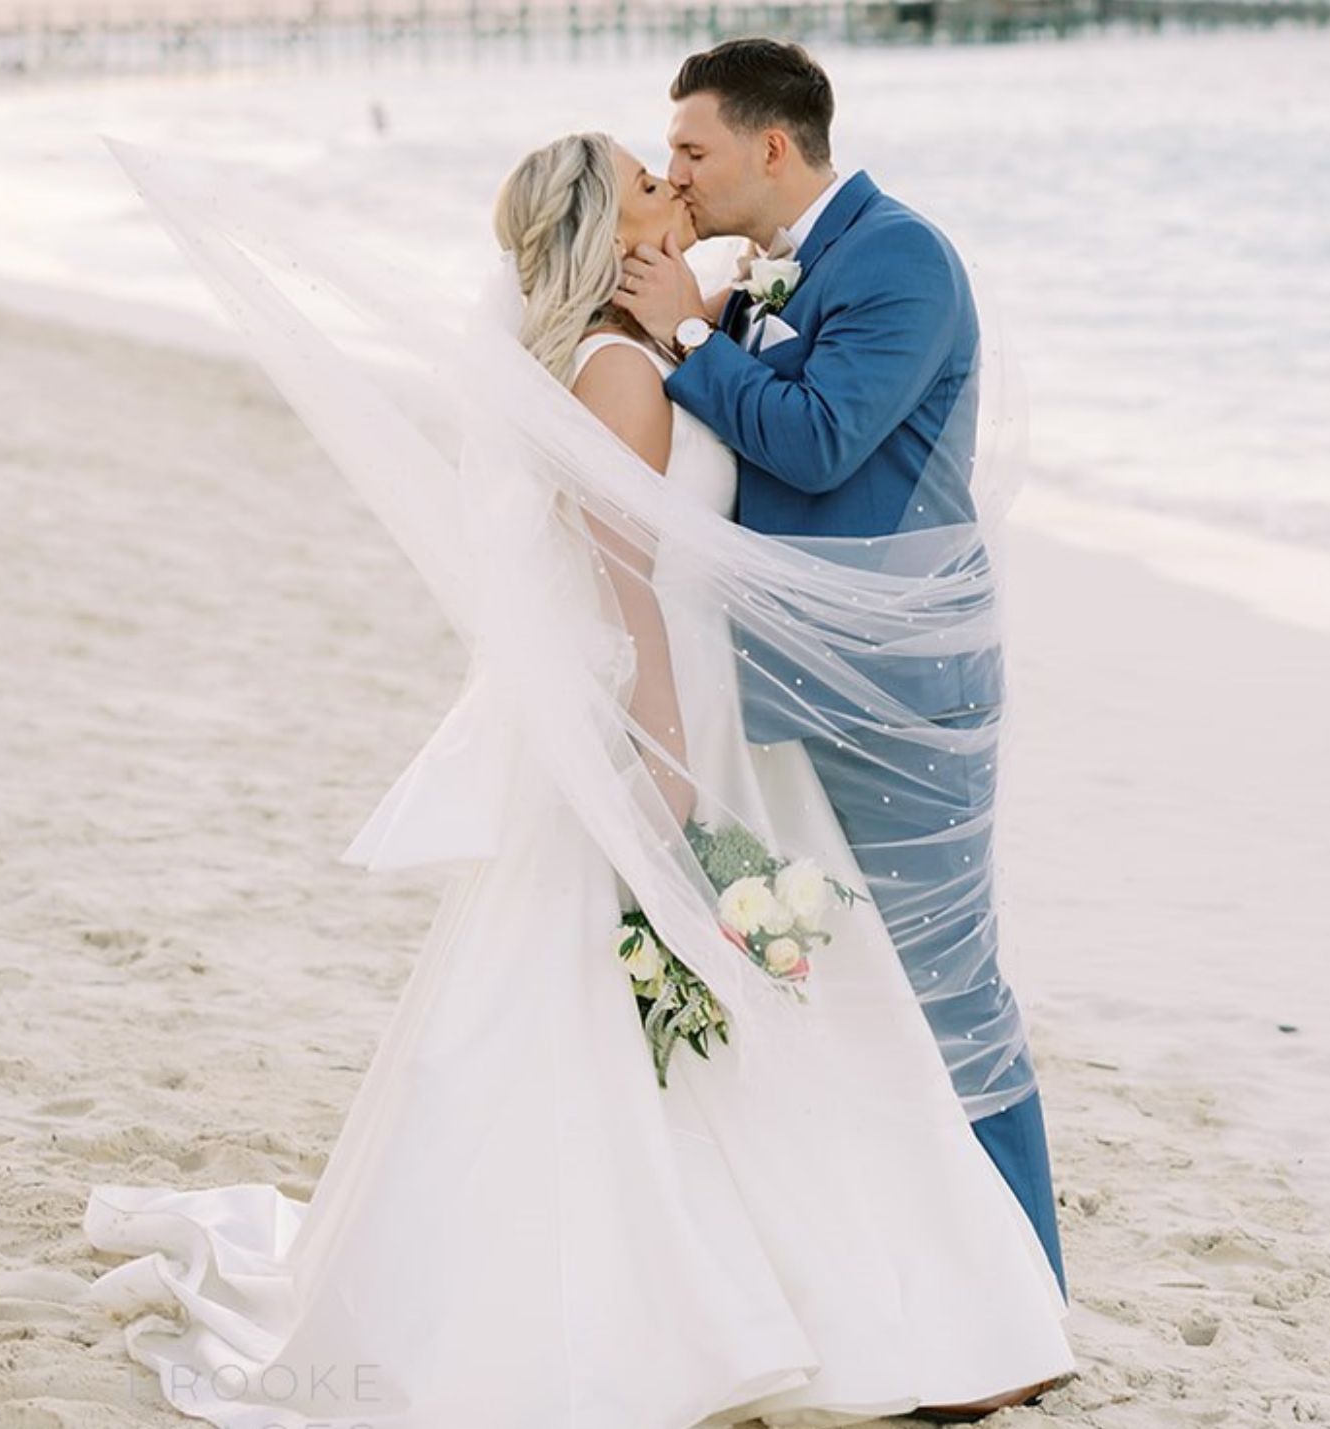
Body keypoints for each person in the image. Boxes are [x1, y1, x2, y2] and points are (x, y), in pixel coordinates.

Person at [78, 119, 1073, 1427]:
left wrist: (727, 301)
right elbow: (627, 585)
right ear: (611, 238)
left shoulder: (657, 340)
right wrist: (660, 762)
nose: (677, 190)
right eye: (653, 183)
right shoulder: (613, 371)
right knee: (658, 1009)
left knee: (782, 1003)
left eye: (677, 169)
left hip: (724, 728)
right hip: (667, 730)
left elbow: (742, 365)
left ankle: (894, 1298)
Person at [613, 45, 1070, 1349]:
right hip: (787, 679)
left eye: (692, 150)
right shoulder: (756, 271)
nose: (677, 174)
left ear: (772, 148)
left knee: (947, 984)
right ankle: (895, 1284)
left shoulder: (900, 257)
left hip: (902, 688)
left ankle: (1025, 1298)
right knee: (828, 978)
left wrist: (687, 334)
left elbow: (820, 439)